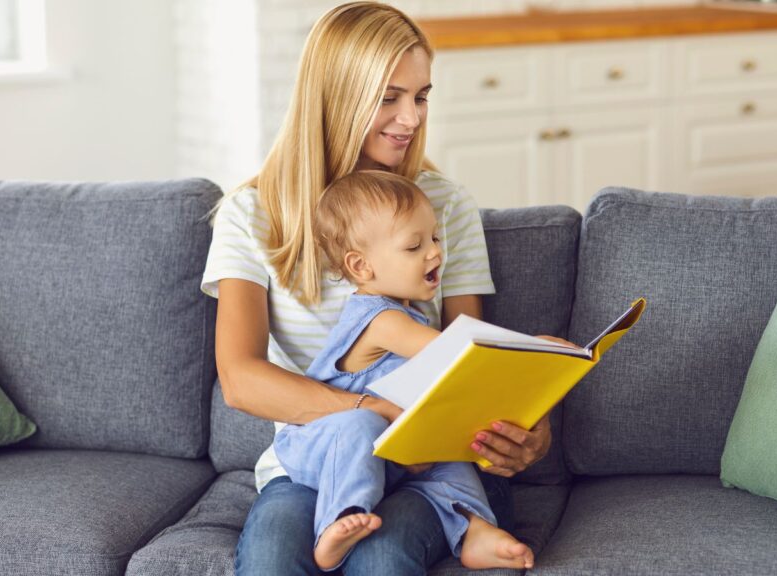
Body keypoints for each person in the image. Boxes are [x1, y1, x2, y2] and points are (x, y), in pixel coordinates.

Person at [200, 3, 553, 574]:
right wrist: (369, 414)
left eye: (421, 96)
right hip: (314, 461)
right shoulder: (251, 215)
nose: (411, 119)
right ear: (335, 96)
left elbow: (469, 354)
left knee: (382, 559)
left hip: (428, 464)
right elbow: (241, 380)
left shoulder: (445, 206)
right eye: (389, 97)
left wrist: (530, 430)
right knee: (270, 560)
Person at [273, 170, 535, 572]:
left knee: (445, 448)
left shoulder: (405, 312)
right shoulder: (381, 320)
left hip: (385, 452)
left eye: (434, 238)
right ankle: (336, 522)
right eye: (414, 246)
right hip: (320, 446)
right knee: (358, 423)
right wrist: (540, 349)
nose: (434, 253)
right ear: (361, 266)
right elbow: (457, 353)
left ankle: (473, 527)